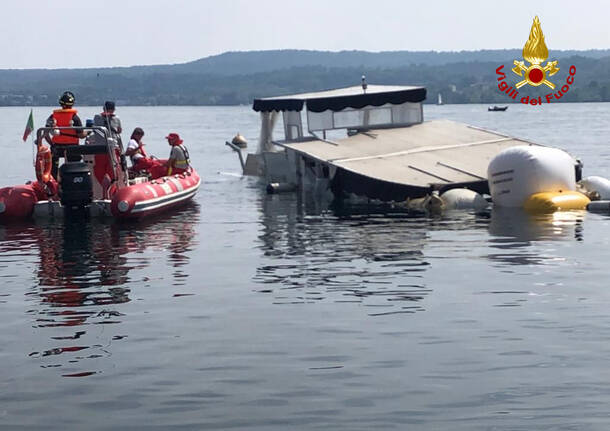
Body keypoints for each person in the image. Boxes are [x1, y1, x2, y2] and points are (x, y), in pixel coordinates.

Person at [44, 91, 88, 179]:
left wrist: (52, 144)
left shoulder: (52, 117)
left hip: (56, 147)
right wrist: (88, 132)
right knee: (75, 168)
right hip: (72, 148)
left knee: (53, 168)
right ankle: (73, 182)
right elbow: (80, 135)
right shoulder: (75, 117)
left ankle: (53, 184)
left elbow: (46, 134)